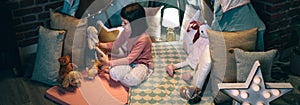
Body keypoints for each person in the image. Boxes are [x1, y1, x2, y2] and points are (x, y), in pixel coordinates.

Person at [98, 3, 153, 87]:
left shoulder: (143, 39)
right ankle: (128, 75)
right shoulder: (126, 32)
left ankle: (146, 72)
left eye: (125, 23)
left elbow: (129, 59)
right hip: (129, 63)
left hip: (141, 64)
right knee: (114, 73)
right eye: (122, 21)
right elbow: (115, 44)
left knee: (132, 79)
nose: (122, 24)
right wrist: (100, 45)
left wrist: (109, 63)